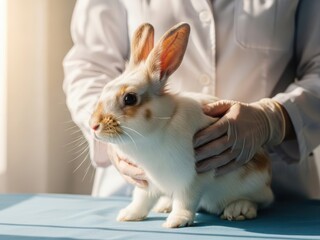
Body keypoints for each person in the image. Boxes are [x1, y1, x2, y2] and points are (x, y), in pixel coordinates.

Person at [63, 0, 320, 199]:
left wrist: (274, 119)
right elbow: (89, 64)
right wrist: (113, 141)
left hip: (262, 185)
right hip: (140, 190)